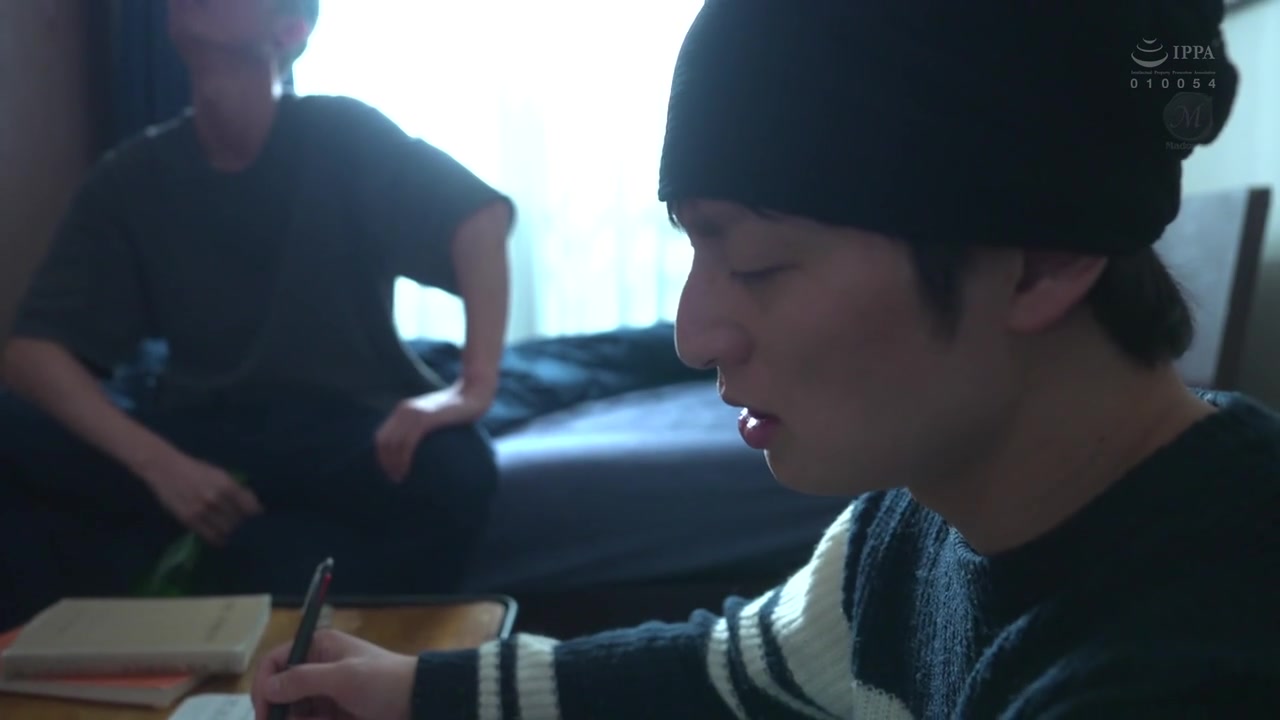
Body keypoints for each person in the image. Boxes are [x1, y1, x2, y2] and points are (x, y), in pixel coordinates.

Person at [251, 0, 1279, 718]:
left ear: (1039, 263)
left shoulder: (1190, 666)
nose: (693, 335)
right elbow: (726, 671)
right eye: (696, 252)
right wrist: (411, 691)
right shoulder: (913, 524)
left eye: (758, 265)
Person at [0, 0, 513, 629]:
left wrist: (471, 389)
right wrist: (162, 467)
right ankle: (249, 573)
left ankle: (245, 577)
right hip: (200, 436)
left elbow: (479, 218)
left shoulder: (341, 133)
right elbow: (31, 355)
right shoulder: (132, 176)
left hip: (343, 429)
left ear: (290, 32)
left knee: (456, 469)